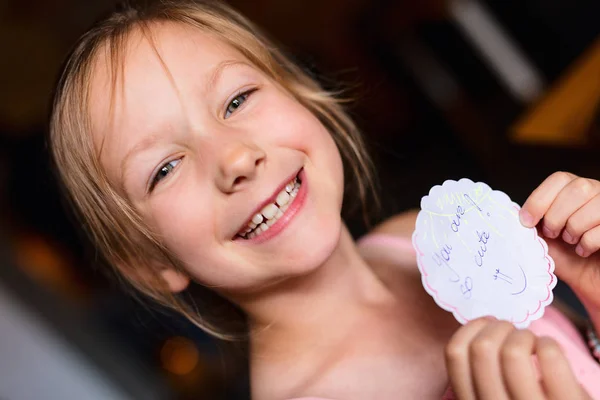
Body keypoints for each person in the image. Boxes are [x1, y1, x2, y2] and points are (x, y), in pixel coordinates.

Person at [49, 1, 600, 398]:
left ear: (301, 95)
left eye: (238, 99)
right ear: (149, 263)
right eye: (164, 169)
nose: (236, 159)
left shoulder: (421, 237)